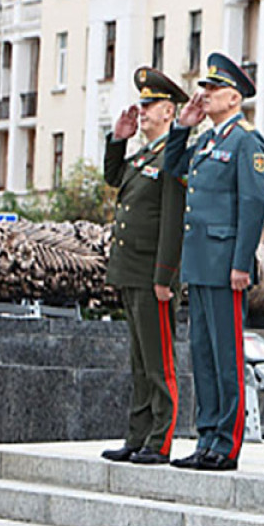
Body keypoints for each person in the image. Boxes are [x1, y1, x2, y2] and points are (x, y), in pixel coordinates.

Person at [163, 53, 264, 472]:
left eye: (211, 90)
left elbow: (253, 202)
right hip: (201, 265)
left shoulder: (246, 141)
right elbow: (174, 168)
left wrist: (242, 262)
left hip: (227, 266)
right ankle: (207, 436)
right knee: (203, 355)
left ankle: (227, 443)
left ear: (234, 96)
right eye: (203, 89)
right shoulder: (206, 140)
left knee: (227, 357)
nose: (203, 96)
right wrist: (182, 127)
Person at [100, 67, 188, 465]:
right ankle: (136, 435)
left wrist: (165, 276)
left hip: (154, 274)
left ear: (169, 111)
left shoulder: (174, 154)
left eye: (150, 105)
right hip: (130, 270)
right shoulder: (142, 154)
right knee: (138, 360)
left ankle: (161, 438)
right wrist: (118, 139)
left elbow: (172, 218)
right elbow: (114, 177)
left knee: (158, 362)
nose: (143, 111)